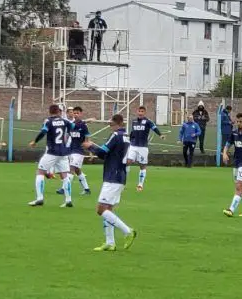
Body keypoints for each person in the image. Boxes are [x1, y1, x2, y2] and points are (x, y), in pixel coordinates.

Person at [81, 114, 137, 252]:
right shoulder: (126, 136)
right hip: (120, 176)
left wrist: (90, 146)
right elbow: (110, 153)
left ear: (117, 123)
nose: (110, 127)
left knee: (101, 209)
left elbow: (102, 153)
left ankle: (127, 231)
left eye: (111, 124)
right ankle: (110, 242)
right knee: (108, 209)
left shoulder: (116, 135)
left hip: (113, 176)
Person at [28, 104, 74, 207]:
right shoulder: (65, 121)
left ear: (49, 112)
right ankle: (68, 200)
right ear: (59, 111)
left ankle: (39, 198)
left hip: (52, 152)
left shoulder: (48, 121)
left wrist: (35, 141)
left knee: (40, 172)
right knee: (65, 175)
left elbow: (43, 132)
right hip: (63, 152)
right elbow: (72, 127)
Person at [127, 106, 165, 191]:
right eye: (139, 111)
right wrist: (129, 140)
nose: (140, 113)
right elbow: (132, 132)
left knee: (142, 166)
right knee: (128, 162)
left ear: (145, 113)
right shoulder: (134, 121)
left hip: (143, 147)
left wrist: (160, 135)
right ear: (137, 111)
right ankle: (122, 182)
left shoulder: (148, 122)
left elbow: (154, 128)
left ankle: (140, 184)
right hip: (133, 146)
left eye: (142, 111)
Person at [59, 106, 92, 196]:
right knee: (77, 170)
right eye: (74, 113)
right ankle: (87, 189)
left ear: (81, 114)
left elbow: (87, 139)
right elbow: (67, 136)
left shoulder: (84, 126)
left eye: (77, 113)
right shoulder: (72, 125)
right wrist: (64, 146)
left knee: (71, 168)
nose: (76, 114)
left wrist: (90, 151)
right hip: (71, 150)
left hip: (79, 151)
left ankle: (63, 188)